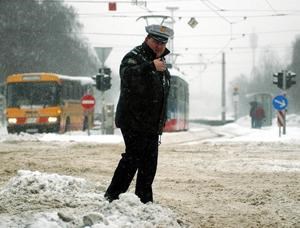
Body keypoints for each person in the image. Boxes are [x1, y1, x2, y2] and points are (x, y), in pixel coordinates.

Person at [104, 24, 174, 204]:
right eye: (156, 41)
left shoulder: (163, 65)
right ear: (147, 39)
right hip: (133, 120)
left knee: (149, 164)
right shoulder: (134, 57)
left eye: (163, 43)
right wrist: (150, 66)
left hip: (151, 124)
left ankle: (144, 200)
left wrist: (161, 119)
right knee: (133, 158)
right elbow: (127, 76)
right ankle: (113, 195)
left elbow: (161, 94)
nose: (159, 46)